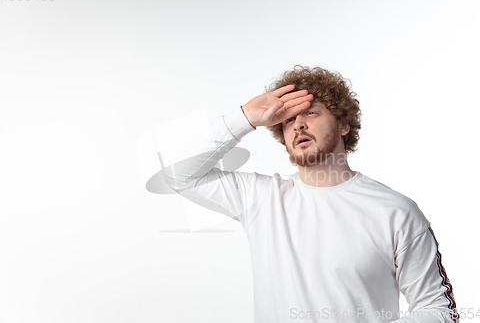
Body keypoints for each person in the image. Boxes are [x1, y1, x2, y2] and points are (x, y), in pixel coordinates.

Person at [163, 65, 458, 323]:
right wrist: (245, 118)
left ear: (344, 125)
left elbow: (439, 310)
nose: (299, 124)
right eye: (289, 120)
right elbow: (179, 176)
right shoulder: (261, 198)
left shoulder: (395, 211)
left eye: (311, 113)